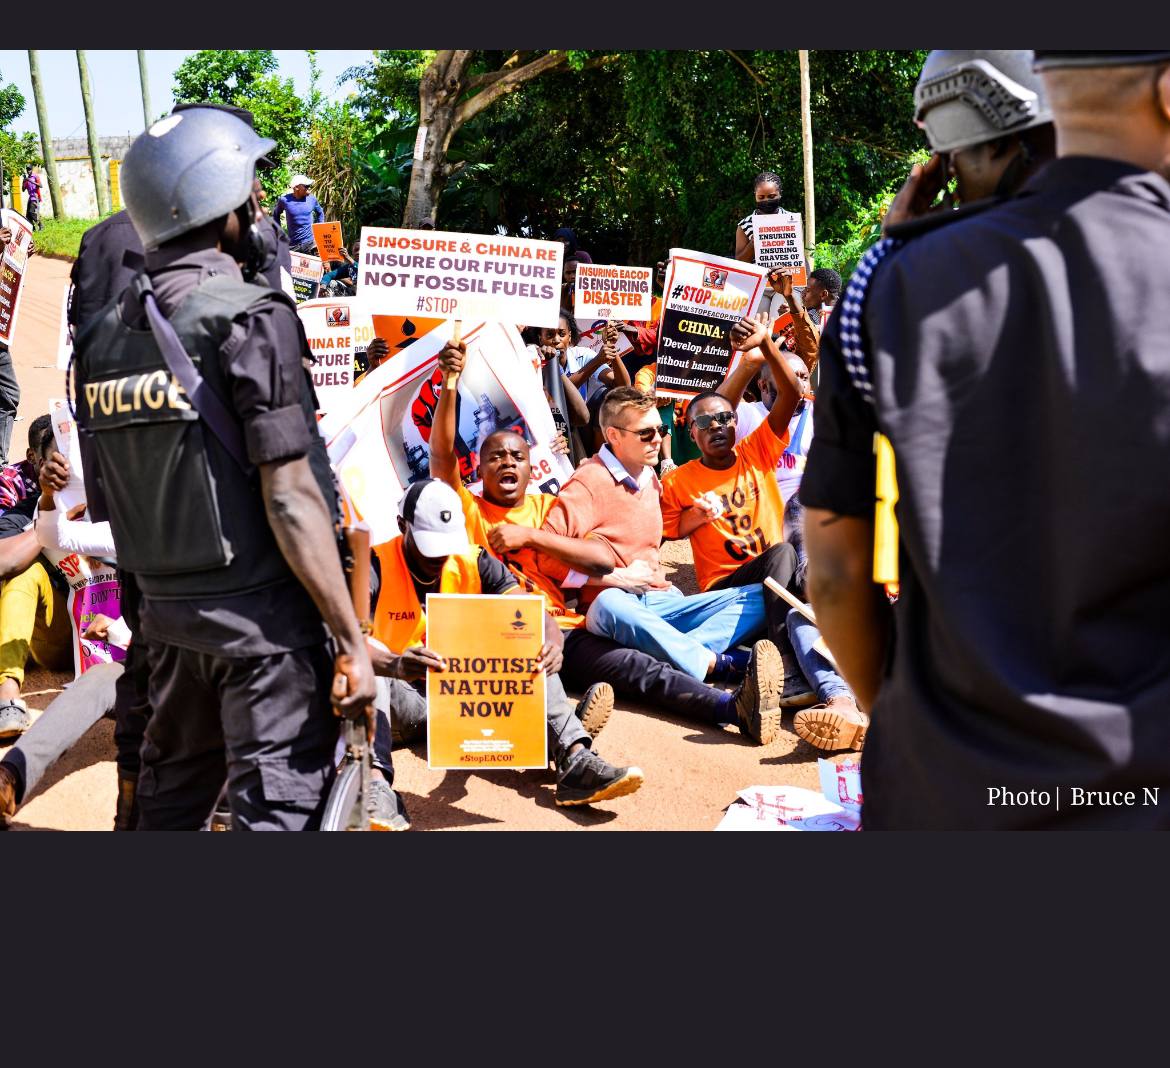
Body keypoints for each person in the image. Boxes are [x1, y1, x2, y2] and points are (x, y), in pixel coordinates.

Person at [801, 49, 1170, 828]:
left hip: (941, 792)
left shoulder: (883, 288)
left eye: (952, 160)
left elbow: (832, 576)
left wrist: (910, 718)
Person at [72, 107, 375, 831]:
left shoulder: (103, 338)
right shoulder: (250, 316)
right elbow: (294, 496)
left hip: (168, 628)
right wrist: (350, 640)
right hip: (263, 636)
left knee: (168, 810)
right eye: (250, 190)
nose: (258, 207)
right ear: (221, 199)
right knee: (278, 819)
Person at [432, 341, 781, 742]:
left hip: (567, 626)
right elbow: (442, 458)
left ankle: (729, 703)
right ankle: (717, 676)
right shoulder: (470, 510)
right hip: (511, 628)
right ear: (477, 467)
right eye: (496, 458)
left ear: (533, 466)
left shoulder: (548, 505)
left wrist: (535, 536)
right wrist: (449, 383)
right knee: (623, 658)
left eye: (517, 457)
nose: (508, 463)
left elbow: (595, 556)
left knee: (650, 658)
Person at [367, 478, 644, 808]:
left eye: (446, 543)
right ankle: (375, 784)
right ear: (402, 526)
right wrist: (396, 664)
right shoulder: (373, 567)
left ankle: (574, 756)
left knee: (527, 642)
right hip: (402, 699)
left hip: (465, 695)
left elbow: (534, 617)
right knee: (368, 670)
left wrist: (553, 644)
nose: (440, 555)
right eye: (430, 544)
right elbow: (347, 646)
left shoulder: (476, 560)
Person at [539, 386, 785, 744]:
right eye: (646, 433)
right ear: (613, 436)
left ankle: (674, 651)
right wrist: (614, 577)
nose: (658, 439)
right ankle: (712, 662)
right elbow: (545, 555)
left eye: (661, 430)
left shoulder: (649, 476)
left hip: (663, 601)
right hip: (614, 607)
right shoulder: (588, 482)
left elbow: (660, 537)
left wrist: (694, 517)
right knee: (610, 603)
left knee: (765, 593)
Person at [882, 49, 1056, 234]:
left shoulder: (973, 248)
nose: (951, 170)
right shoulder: (1083, 200)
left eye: (951, 155)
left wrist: (896, 239)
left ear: (993, 144)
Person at [734, 170, 788, 263]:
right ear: (755, 196)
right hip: (758, 277)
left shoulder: (791, 220)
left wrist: (806, 276)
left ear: (780, 194)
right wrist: (753, 243)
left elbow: (800, 256)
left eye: (771, 196)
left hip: (787, 276)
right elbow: (739, 262)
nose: (766, 200)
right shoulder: (745, 225)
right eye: (761, 197)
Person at [272, 174, 324, 254]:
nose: (308, 189)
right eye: (306, 186)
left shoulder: (312, 199)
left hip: (310, 244)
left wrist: (319, 231)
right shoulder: (284, 200)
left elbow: (320, 212)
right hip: (292, 245)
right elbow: (276, 214)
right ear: (296, 188)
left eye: (309, 186)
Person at [21, 166, 42, 231]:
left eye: (29, 169)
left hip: (36, 197)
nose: (28, 171)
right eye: (27, 170)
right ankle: (33, 229)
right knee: (28, 215)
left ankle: (40, 225)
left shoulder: (35, 176)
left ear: (31, 170)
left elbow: (41, 185)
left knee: (31, 212)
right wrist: (24, 181)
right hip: (30, 197)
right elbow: (23, 189)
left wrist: (31, 181)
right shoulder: (27, 179)